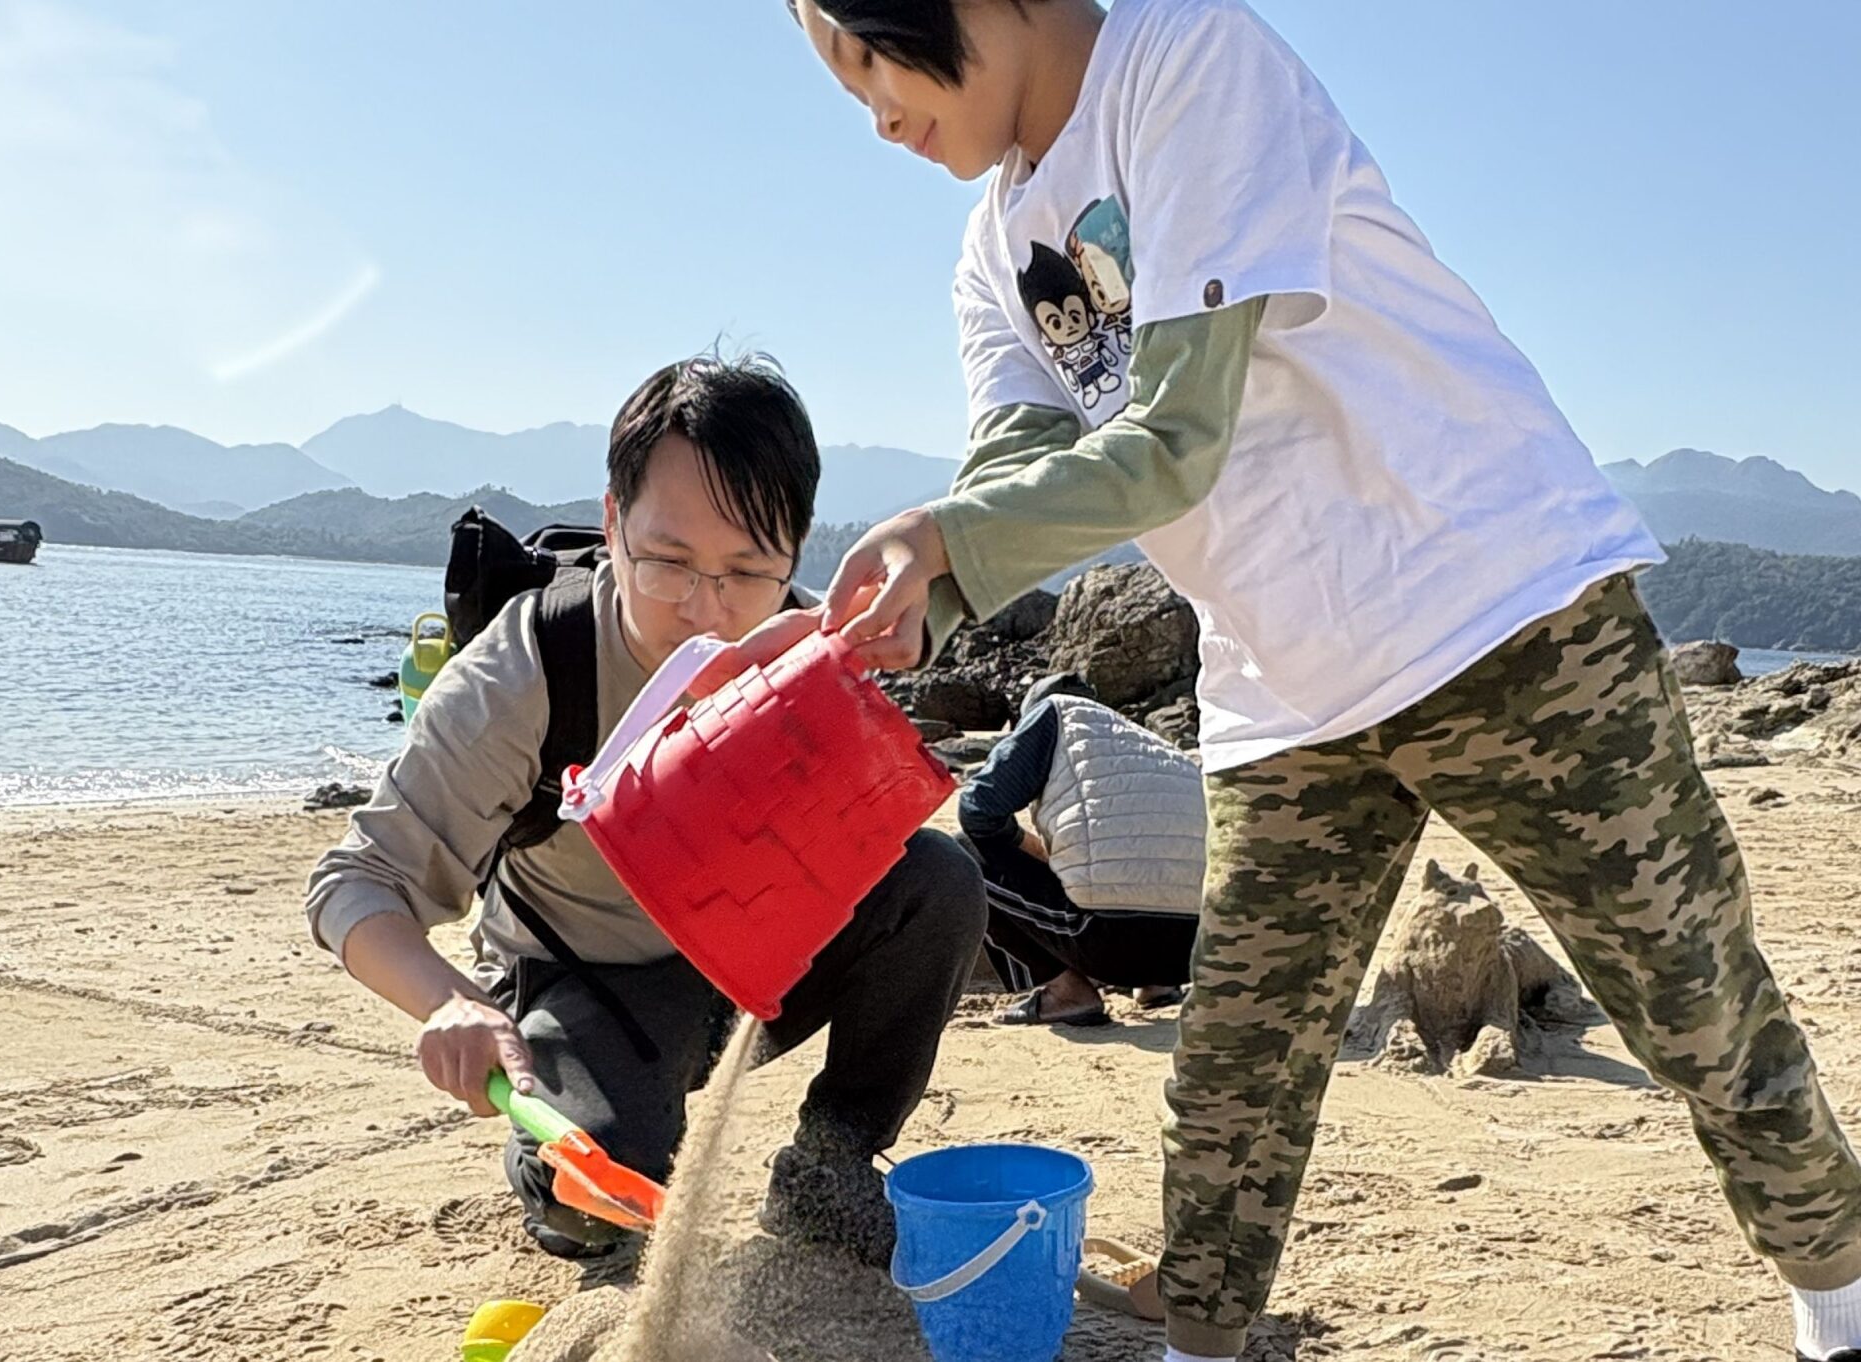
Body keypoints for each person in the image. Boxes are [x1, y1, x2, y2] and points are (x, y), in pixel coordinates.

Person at [694, 4, 1861, 1359]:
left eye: (872, 63)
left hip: (1500, 609)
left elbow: (1177, 439)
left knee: (1691, 995)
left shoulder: (1190, 64)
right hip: (1285, 692)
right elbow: (1012, 478)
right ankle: (1198, 1346)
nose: (879, 117)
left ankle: (1839, 1306)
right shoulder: (987, 254)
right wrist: (900, 603)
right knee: (1236, 1072)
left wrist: (944, 543)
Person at [305, 353, 986, 1271]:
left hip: (751, 968)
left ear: (796, 552)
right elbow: (354, 882)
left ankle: (830, 1168)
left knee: (936, 881)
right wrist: (453, 1008)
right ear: (614, 522)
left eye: (749, 571)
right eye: (668, 562)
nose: (706, 611)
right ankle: (574, 1141)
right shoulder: (528, 675)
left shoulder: (801, 650)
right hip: (589, 981)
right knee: (599, 1209)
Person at [958, 673, 1204, 1026]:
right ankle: (1157, 986)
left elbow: (977, 810)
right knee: (1145, 855)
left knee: (963, 855)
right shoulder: (1154, 746)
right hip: (1191, 953)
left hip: (1111, 945)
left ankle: (1066, 992)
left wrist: (1033, 849)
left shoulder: (1053, 715)